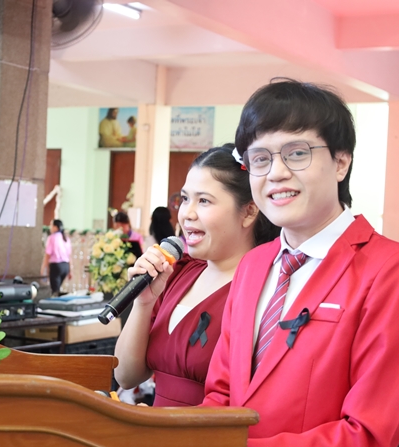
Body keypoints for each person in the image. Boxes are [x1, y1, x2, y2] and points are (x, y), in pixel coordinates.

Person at [201, 80, 399, 447]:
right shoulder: (253, 264)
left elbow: (368, 434)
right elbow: (221, 393)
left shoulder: (392, 270)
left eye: (297, 153)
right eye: (260, 158)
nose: (276, 173)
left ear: (341, 162)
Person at [114, 144, 279, 407]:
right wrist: (144, 303)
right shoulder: (178, 274)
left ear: (249, 211)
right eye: (184, 199)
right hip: (154, 427)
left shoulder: (266, 289)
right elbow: (126, 376)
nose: (186, 214)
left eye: (204, 201)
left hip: (209, 430)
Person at [42, 219, 71, 296]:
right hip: (65, 266)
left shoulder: (52, 237)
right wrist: (70, 270)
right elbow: (69, 256)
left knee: (55, 290)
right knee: (57, 288)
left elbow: (47, 254)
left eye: (51, 225)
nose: (50, 227)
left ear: (56, 227)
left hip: (56, 266)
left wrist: (43, 268)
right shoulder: (66, 238)